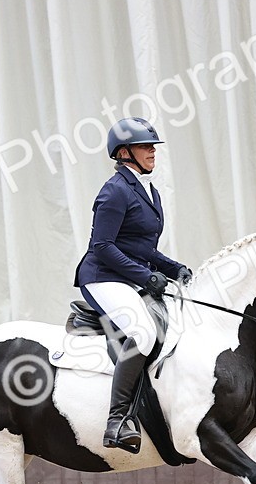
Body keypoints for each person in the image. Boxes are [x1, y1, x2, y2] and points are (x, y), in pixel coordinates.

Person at [73, 117, 191, 453]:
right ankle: (117, 420)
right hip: (103, 277)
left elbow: (142, 247)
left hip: (128, 275)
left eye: (153, 146)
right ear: (124, 152)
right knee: (143, 332)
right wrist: (146, 276)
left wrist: (172, 268)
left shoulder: (146, 189)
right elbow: (103, 247)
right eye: (145, 146)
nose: (152, 152)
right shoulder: (114, 191)